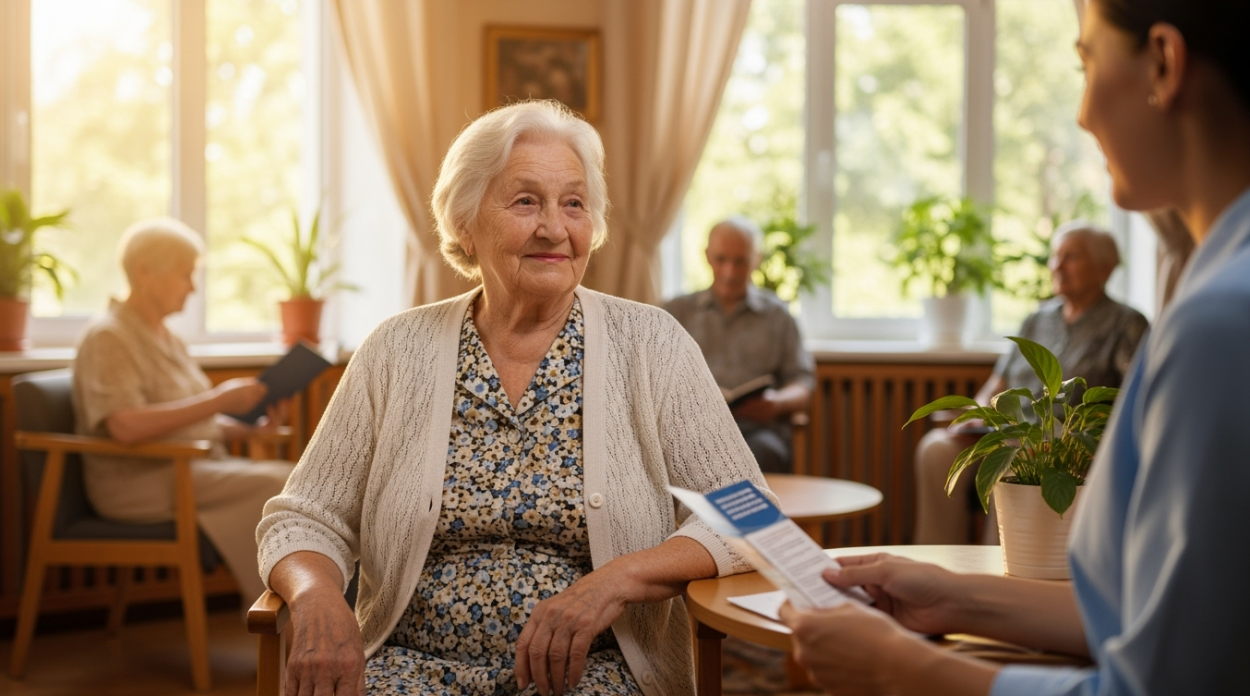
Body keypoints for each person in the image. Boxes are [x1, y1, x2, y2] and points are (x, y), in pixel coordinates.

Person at [779, 0, 1250, 693]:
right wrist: (956, 595)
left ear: (1164, 63)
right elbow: (1158, 617)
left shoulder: (1219, 322)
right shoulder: (1212, 291)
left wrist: (901, 670)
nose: (1084, 112)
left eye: (1086, 60)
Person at [257, 100, 769, 696]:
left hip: (594, 672)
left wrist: (614, 581)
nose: (554, 228)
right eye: (526, 201)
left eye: (574, 204)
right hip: (408, 666)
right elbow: (303, 516)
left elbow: (751, 515)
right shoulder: (396, 350)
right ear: (466, 224)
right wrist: (317, 595)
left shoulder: (652, 343)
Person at [71, 217, 295, 605]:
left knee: (295, 483)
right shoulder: (108, 336)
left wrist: (247, 430)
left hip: (188, 466)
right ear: (144, 272)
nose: (192, 288)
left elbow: (191, 423)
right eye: (184, 274)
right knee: (283, 487)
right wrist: (219, 400)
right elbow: (124, 426)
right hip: (137, 478)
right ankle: (287, 627)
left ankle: (293, 623)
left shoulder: (167, 337)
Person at [914, 222, 1148, 544]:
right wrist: (973, 416)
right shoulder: (1036, 319)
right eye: (1055, 257)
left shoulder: (1126, 323)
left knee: (1016, 455)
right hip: (1007, 433)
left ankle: (997, 573)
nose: (1057, 266)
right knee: (936, 449)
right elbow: (996, 384)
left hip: (1065, 444)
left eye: (1071, 257)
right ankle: (937, 563)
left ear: (1105, 268)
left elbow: (1134, 398)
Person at [663, 217, 815, 473]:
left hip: (758, 433)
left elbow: (803, 382)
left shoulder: (778, 316)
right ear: (707, 257)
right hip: (691, 432)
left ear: (756, 259)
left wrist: (776, 402)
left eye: (740, 261)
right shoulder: (676, 312)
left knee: (756, 457)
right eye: (721, 260)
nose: (730, 272)